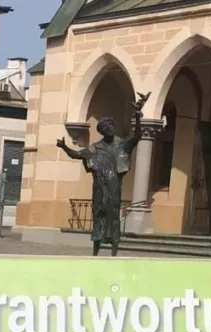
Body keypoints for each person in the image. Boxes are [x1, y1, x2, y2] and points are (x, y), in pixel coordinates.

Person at [56, 92, 148, 257]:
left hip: (114, 188)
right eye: (106, 128)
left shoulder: (122, 145)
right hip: (99, 188)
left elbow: (137, 137)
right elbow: (77, 154)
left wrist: (138, 118)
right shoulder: (95, 148)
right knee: (98, 218)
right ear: (102, 131)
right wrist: (64, 147)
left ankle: (113, 254)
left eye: (111, 126)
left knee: (113, 219)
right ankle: (95, 253)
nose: (110, 129)